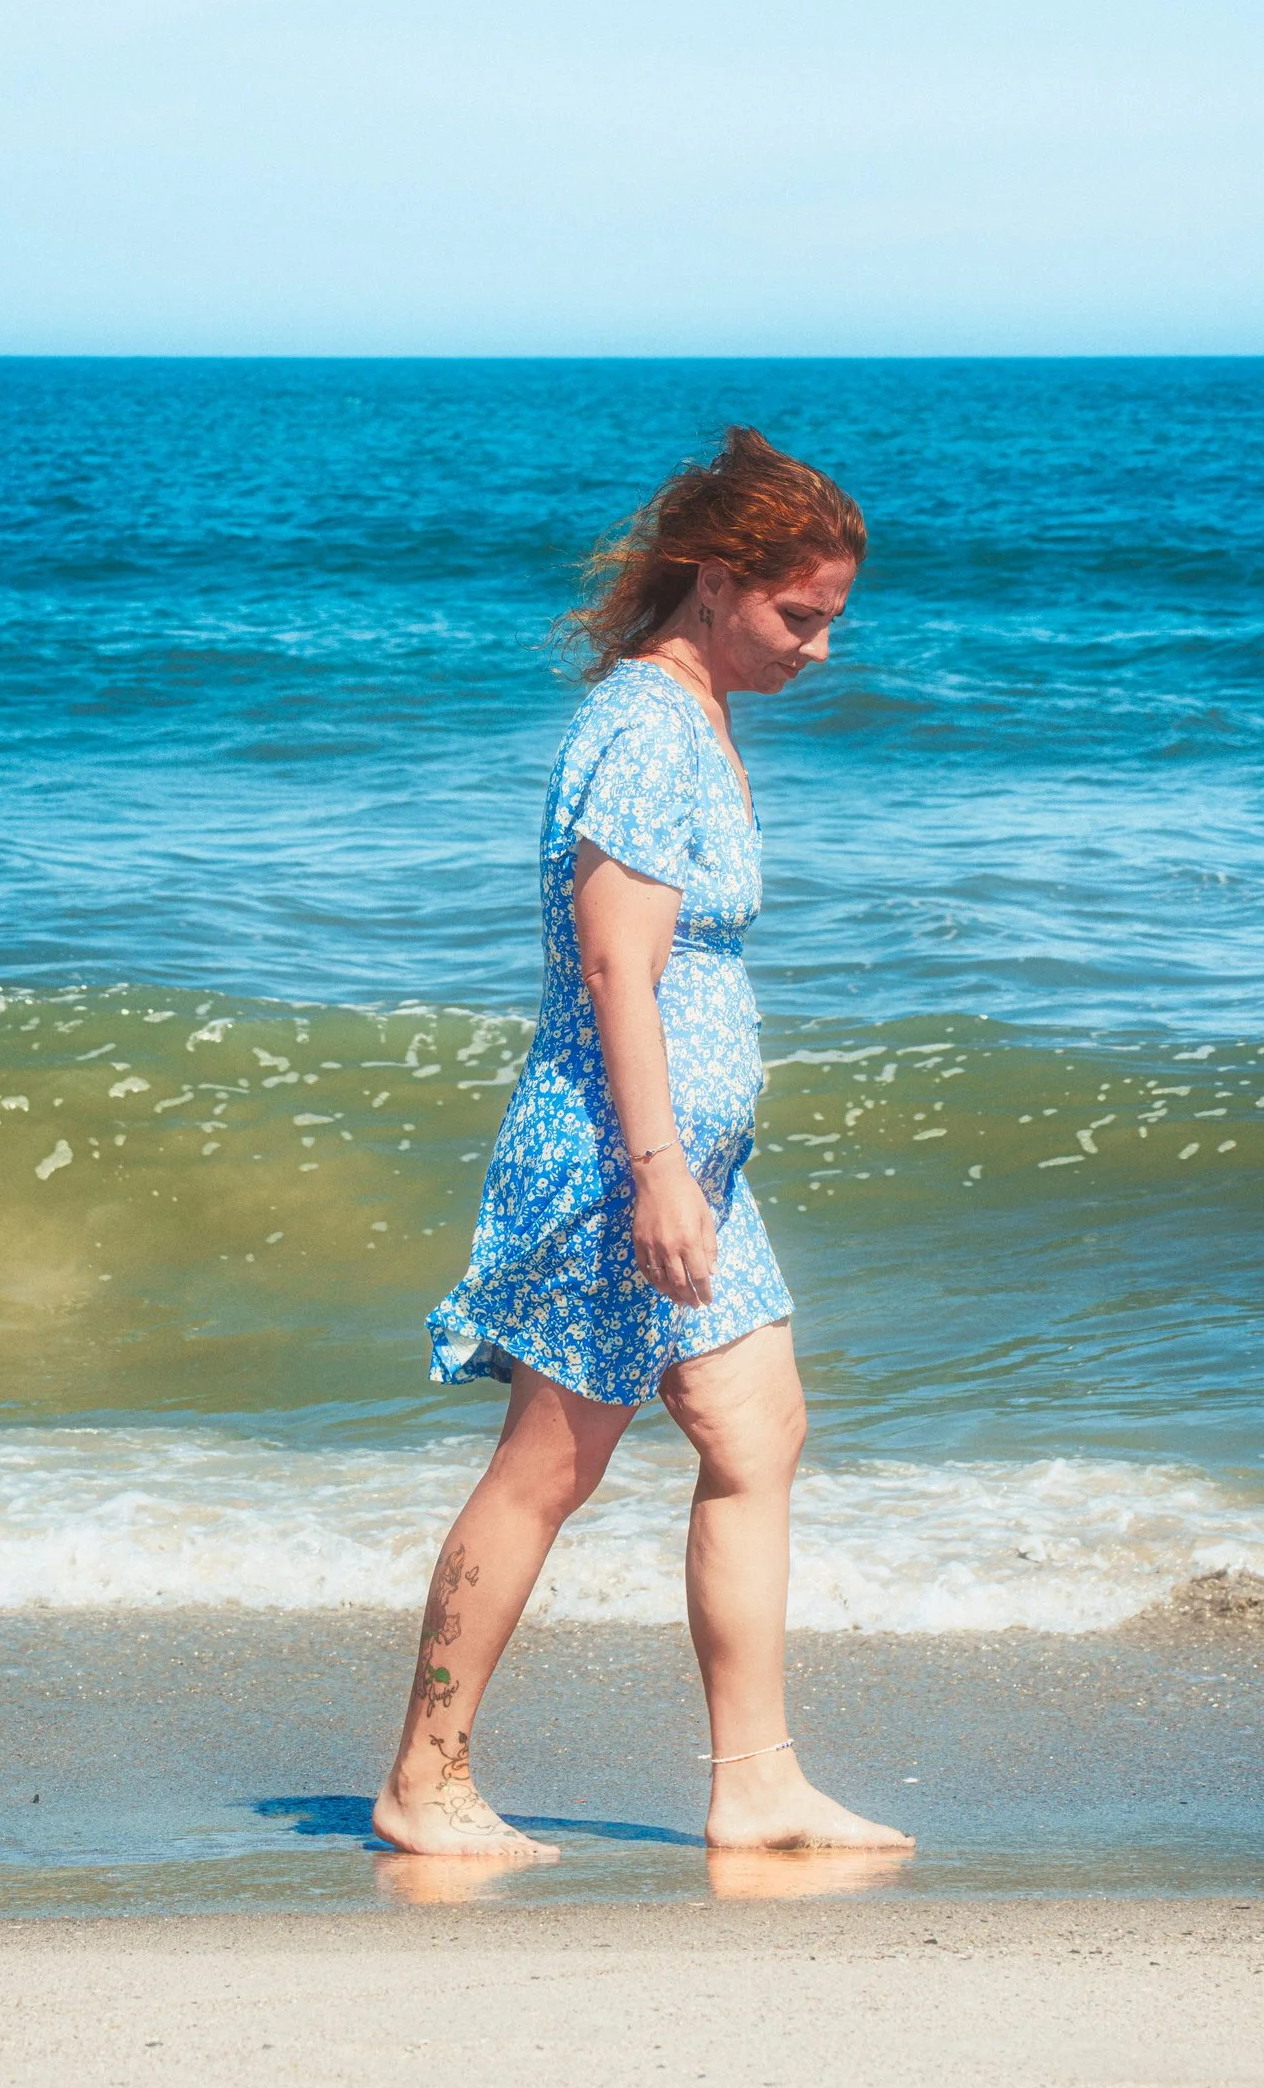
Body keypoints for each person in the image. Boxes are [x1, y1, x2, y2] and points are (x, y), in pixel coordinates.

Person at [373, 429, 913, 1866]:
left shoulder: (698, 718)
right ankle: (424, 1780)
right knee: (548, 1464)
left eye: (834, 620)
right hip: (622, 1158)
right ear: (716, 578)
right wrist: (663, 1166)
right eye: (799, 614)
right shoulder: (645, 727)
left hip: (692, 1165)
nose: (818, 646)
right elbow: (618, 968)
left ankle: (758, 1783)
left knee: (759, 1431)